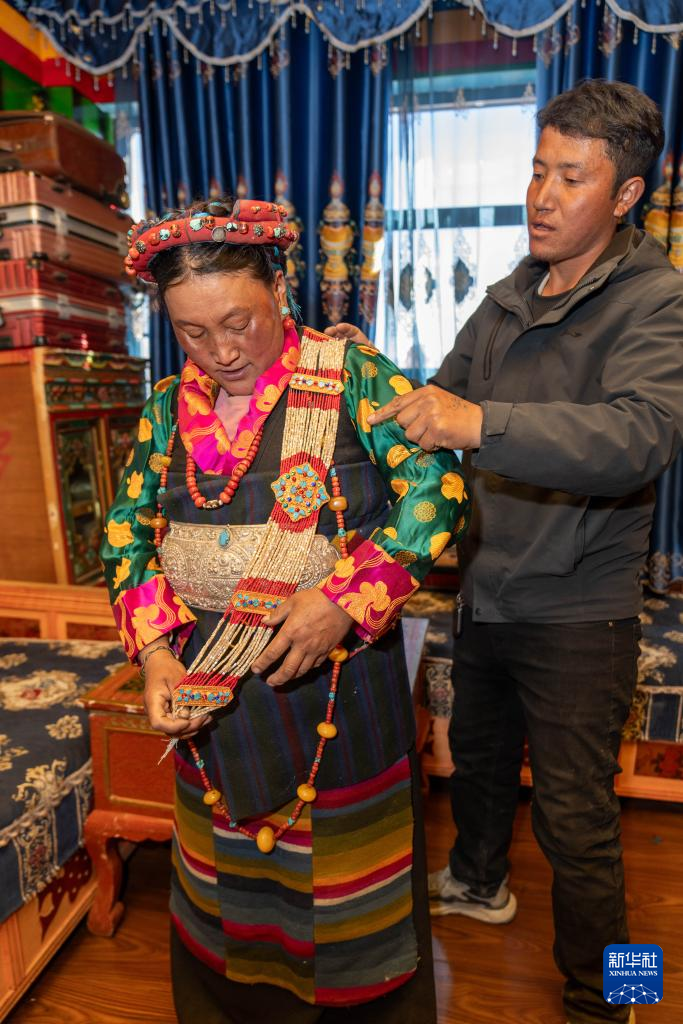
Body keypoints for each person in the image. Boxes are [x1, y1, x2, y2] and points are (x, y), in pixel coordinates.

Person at [328, 80, 683, 1024]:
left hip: (578, 609)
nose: (541, 196)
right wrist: (364, 367)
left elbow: (640, 436)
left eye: (570, 177)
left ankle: (616, 997)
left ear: (625, 194)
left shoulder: (657, 300)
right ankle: (479, 884)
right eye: (535, 171)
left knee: (579, 823)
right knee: (477, 766)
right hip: (485, 587)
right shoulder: (506, 297)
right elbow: (435, 402)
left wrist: (479, 422)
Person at [99, 195, 470, 1024]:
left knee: (350, 915)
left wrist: (343, 600)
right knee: (225, 911)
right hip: (213, 700)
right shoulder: (165, 409)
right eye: (193, 332)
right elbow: (125, 534)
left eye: (240, 322)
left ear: (279, 289)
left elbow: (436, 493)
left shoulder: (351, 376)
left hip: (336, 692)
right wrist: (155, 655)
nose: (222, 350)